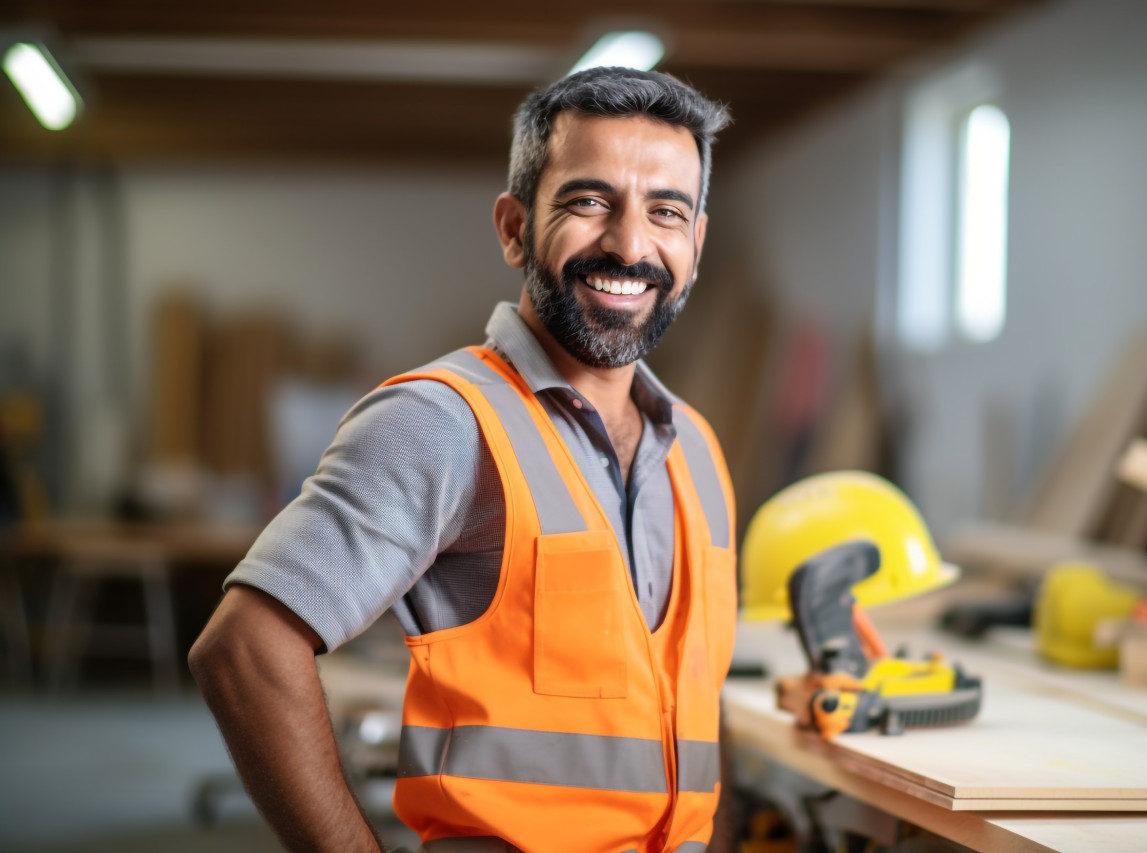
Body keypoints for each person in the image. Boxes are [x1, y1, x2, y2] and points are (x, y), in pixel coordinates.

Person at [189, 66, 737, 853]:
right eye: (589, 202)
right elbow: (245, 651)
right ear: (514, 228)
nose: (629, 243)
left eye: (666, 212)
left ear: (696, 243)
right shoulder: (442, 421)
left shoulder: (699, 450)